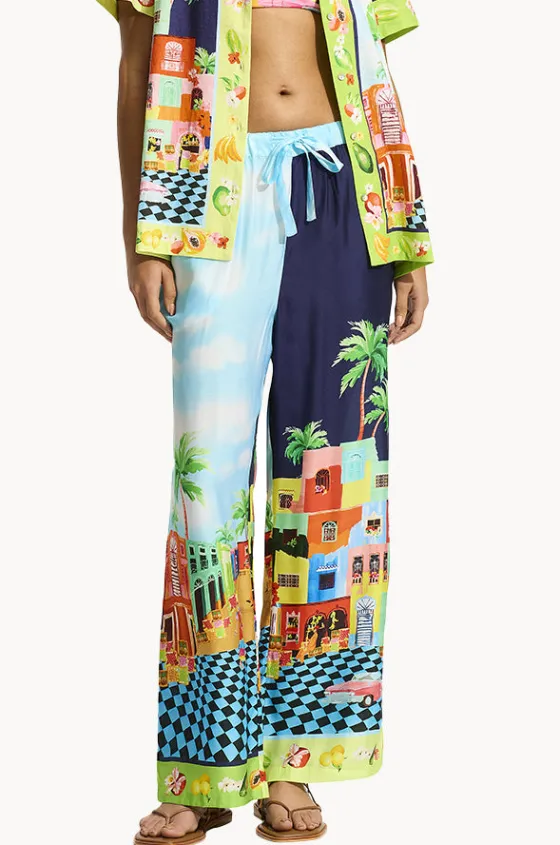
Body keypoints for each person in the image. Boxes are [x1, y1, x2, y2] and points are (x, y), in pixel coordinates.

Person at [95, 0, 433, 841]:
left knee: (333, 478)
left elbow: (377, 73)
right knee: (206, 483)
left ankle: (293, 760)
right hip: (208, 197)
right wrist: (142, 234)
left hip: (343, 193)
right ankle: (202, 765)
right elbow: (137, 70)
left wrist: (405, 231)